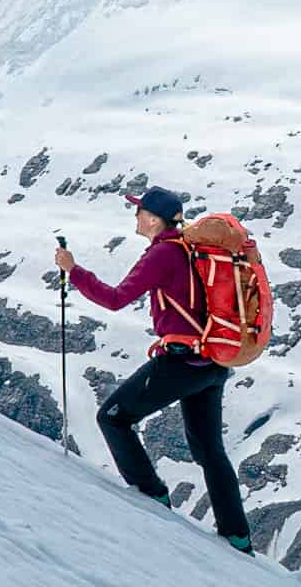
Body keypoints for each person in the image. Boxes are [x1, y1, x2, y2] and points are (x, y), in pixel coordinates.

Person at [54, 186, 254, 554]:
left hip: (181, 361)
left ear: (151, 219)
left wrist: (74, 271)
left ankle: (150, 499)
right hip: (212, 360)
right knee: (210, 451)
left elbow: (115, 299)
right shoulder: (192, 249)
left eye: (138, 212)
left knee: (112, 417)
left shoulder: (163, 253)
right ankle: (237, 536)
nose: (134, 217)